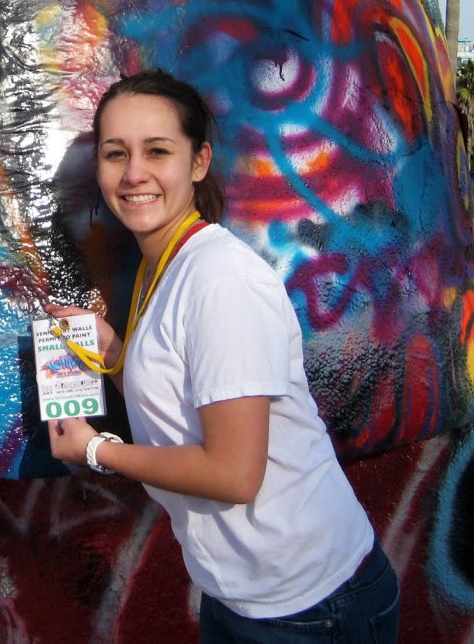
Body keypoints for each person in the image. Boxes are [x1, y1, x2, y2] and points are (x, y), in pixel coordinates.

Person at [47, 70, 400, 642]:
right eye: (116, 154)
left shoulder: (220, 279)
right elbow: (176, 394)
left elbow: (235, 473)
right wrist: (111, 350)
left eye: (157, 151)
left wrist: (96, 450)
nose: (134, 173)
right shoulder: (163, 265)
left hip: (312, 607)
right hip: (243, 593)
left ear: (198, 161)